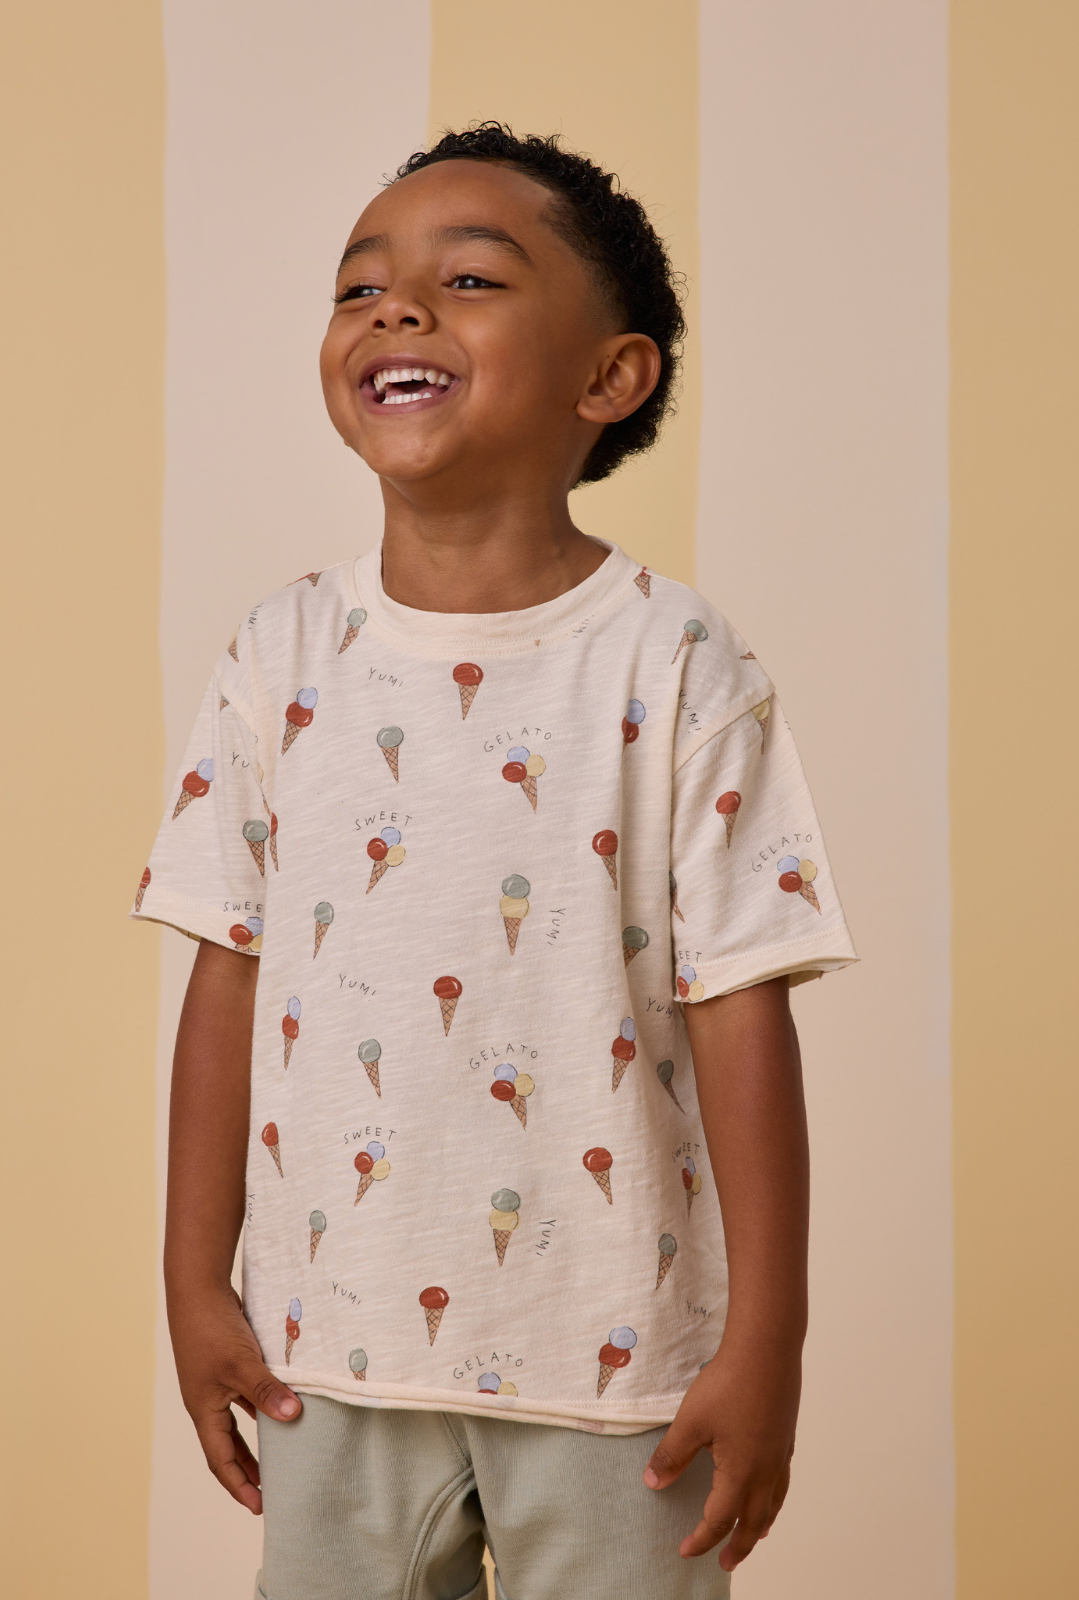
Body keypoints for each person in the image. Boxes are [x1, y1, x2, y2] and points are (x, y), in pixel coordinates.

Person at [132, 124, 856, 1600]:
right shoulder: (280, 656)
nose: (395, 308)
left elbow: (743, 1007)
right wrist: (191, 1279)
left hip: (620, 1367)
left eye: (468, 278)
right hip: (329, 1352)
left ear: (609, 377)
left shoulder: (678, 662)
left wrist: (765, 1334)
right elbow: (228, 972)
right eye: (359, 287)